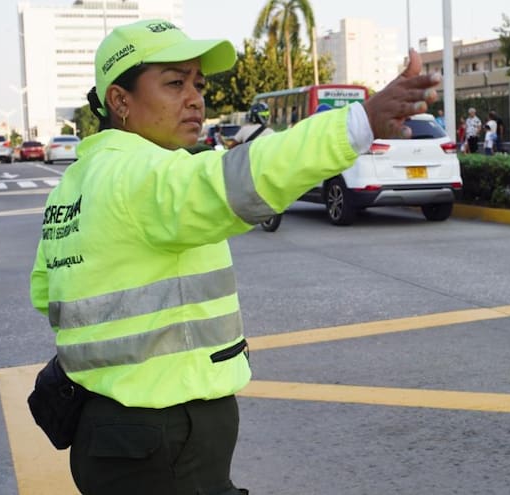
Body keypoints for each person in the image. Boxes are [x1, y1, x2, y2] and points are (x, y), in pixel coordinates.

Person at [28, 18, 440, 495]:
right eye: (174, 83)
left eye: (198, 83)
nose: (195, 98)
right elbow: (238, 180)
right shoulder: (139, 174)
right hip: (161, 439)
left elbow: (48, 295)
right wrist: (358, 122)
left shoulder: (75, 185)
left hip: (111, 431)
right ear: (120, 101)